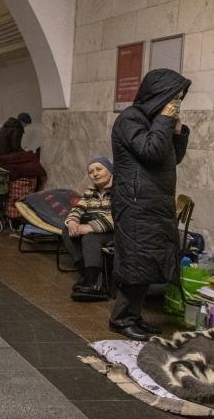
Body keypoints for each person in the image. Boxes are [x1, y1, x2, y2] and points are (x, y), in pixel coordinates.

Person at [109, 68, 191, 341]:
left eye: (179, 99)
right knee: (135, 260)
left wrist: (178, 133)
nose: (176, 104)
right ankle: (120, 320)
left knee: (147, 260)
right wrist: (166, 119)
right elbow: (151, 151)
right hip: (135, 204)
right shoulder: (130, 118)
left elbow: (170, 158)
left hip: (152, 202)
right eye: (173, 98)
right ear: (160, 94)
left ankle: (134, 316)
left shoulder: (155, 121)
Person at [64, 157, 115, 303]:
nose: (95, 174)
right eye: (91, 172)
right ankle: (88, 275)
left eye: (99, 169)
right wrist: (73, 221)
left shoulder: (119, 190)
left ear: (110, 170)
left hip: (115, 232)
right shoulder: (90, 191)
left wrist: (90, 227)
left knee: (90, 237)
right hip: (97, 230)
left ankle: (95, 286)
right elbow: (78, 208)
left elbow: (117, 217)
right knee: (67, 231)